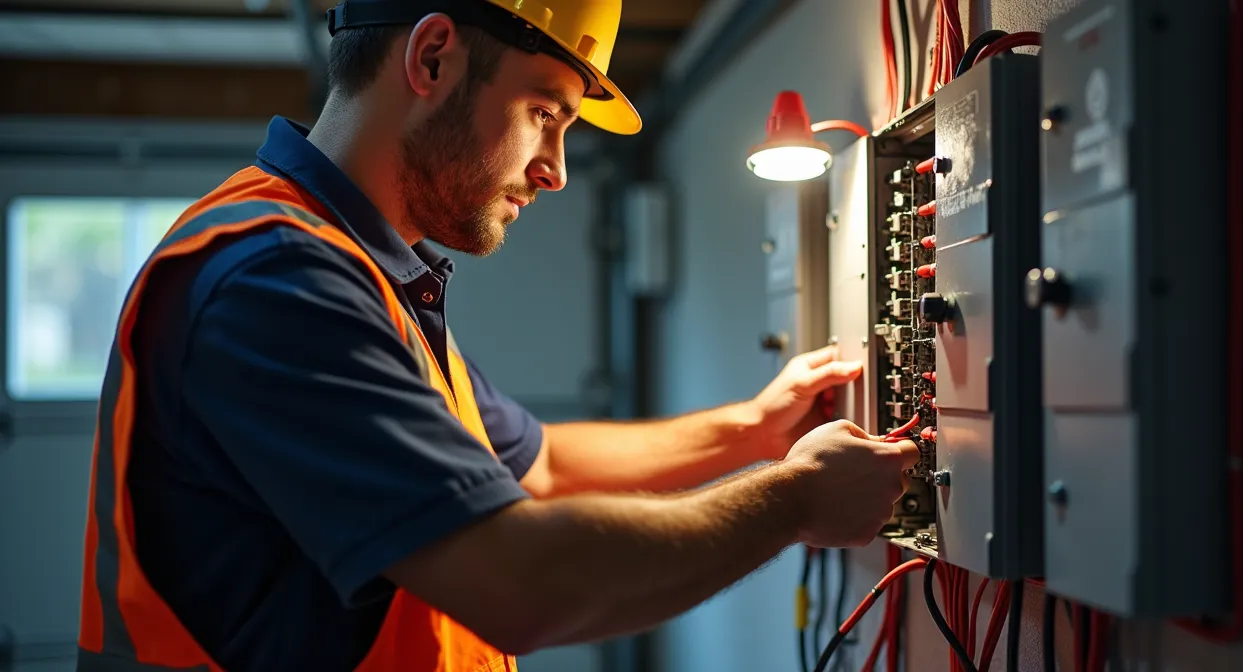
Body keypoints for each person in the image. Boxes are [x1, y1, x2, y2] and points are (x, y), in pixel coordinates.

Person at [74, 1, 917, 670]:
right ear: (432, 57)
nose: (554, 166)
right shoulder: (273, 278)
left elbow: (540, 464)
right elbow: (520, 585)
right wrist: (794, 500)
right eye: (545, 111)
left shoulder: (367, 273)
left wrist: (756, 430)